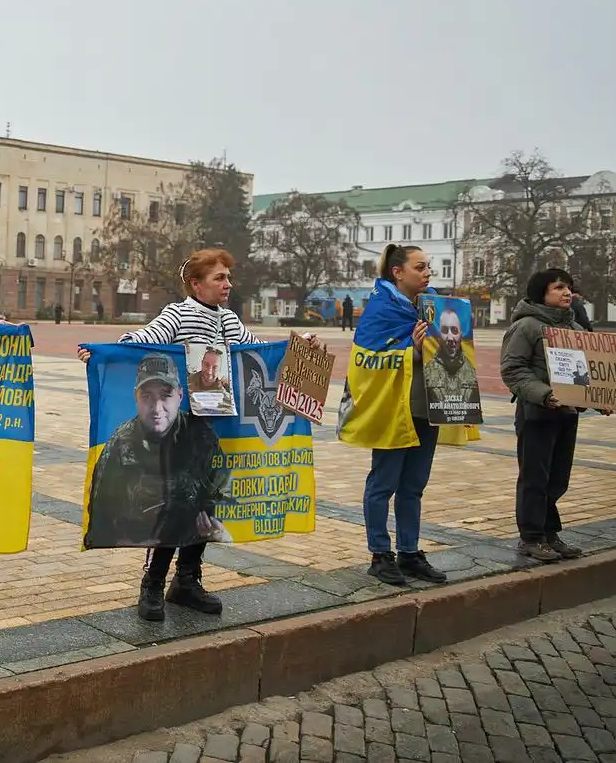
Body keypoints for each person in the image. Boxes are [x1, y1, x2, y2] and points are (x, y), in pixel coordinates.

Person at [77, 247, 319, 620]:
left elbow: (258, 350)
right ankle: (153, 583)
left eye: (228, 278)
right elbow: (145, 339)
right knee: (175, 503)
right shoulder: (179, 313)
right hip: (177, 429)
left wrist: (301, 349)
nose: (228, 285)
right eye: (219, 278)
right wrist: (102, 353)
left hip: (209, 426)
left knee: (206, 501)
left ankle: (187, 580)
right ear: (196, 283)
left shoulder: (227, 319)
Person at [338, 244, 448, 588]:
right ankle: (379, 555)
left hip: (426, 407)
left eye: (428, 266)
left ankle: (410, 553)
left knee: (414, 486)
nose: (427, 272)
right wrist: (411, 351)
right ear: (398, 272)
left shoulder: (436, 307)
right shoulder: (380, 309)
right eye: (419, 267)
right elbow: (366, 359)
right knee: (382, 484)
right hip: (391, 407)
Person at [500, 268, 608, 563]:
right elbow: (512, 370)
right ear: (541, 294)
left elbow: (588, 371)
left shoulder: (574, 329)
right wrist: (545, 394)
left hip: (567, 413)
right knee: (535, 477)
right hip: (537, 413)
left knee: (558, 478)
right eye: (559, 287)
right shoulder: (527, 327)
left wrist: (599, 398)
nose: (567, 292)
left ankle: (550, 533)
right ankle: (531, 537)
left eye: (569, 287)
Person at [85, 353, 233, 549]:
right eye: (147, 396)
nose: (156, 408)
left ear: (180, 395)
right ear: (135, 398)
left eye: (165, 395)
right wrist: (97, 355)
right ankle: (154, 578)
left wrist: (216, 525)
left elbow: (225, 494)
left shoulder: (201, 435)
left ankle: (187, 575)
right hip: (142, 537)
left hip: (193, 535)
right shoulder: (120, 443)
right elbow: (99, 516)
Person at [424, 305, 481, 419]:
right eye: (445, 330)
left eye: (454, 331)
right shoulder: (427, 372)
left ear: (461, 335)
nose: (450, 338)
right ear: (439, 336)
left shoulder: (471, 373)